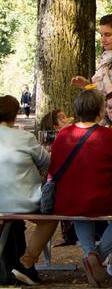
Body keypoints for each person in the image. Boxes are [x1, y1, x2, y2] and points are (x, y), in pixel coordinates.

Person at [51, 89, 112, 287]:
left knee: (81, 207)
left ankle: (89, 255)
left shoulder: (63, 134)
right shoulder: (109, 136)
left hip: (68, 199)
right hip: (102, 198)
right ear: (100, 110)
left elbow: (52, 167)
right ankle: (97, 256)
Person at [0, 96, 50, 286]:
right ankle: (27, 261)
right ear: (15, 115)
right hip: (25, 202)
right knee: (50, 219)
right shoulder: (24, 137)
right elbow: (47, 162)